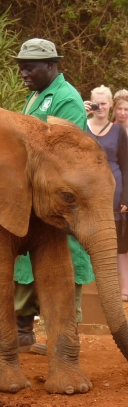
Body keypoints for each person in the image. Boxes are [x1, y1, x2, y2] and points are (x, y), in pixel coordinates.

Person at [12, 38, 92, 355]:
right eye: (21, 68)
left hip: (58, 198)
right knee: (27, 262)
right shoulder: (35, 96)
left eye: (29, 68)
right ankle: (23, 333)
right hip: (33, 195)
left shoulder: (66, 99)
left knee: (63, 262)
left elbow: (60, 153)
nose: (24, 74)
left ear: (50, 65)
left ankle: (64, 339)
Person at [85, 85, 128, 300]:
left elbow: (125, 165)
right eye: (96, 103)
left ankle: (119, 289)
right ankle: (89, 289)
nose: (100, 107)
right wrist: (79, 114)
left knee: (115, 242)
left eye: (103, 103)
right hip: (86, 194)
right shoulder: (81, 125)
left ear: (111, 104)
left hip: (114, 193)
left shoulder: (119, 132)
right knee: (88, 239)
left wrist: (126, 196)